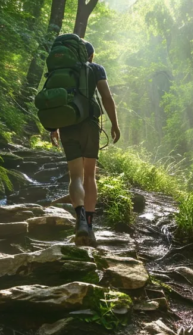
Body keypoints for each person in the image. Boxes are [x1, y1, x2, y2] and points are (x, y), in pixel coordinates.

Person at [51, 41, 121, 246]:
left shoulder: (62, 71)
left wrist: (53, 128)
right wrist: (115, 124)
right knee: (89, 175)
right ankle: (89, 226)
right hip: (89, 125)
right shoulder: (96, 69)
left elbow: (56, 101)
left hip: (67, 125)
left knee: (75, 175)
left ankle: (79, 218)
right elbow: (106, 97)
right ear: (90, 56)